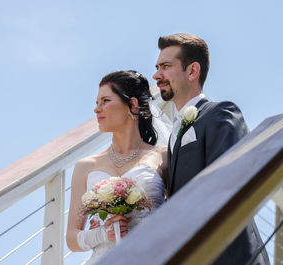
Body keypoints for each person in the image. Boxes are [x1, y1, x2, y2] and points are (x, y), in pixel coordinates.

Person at [153, 33, 270, 265]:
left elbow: (229, 185)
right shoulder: (173, 136)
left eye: (165, 66)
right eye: (157, 67)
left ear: (192, 71)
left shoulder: (221, 113)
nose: (156, 75)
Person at [66, 70, 168, 264]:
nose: (97, 109)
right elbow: (71, 238)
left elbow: (178, 216)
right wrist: (102, 234)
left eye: (105, 101)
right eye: (96, 103)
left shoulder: (164, 157)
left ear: (132, 104)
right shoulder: (85, 166)